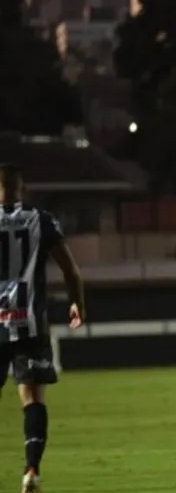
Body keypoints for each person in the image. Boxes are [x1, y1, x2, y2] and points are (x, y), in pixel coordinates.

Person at [0, 164, 85, 493]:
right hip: (29, 322)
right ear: (22, 188)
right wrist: (78, 303)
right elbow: (71, 270)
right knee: (33, 395)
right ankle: (32, 469)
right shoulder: (41, 218)